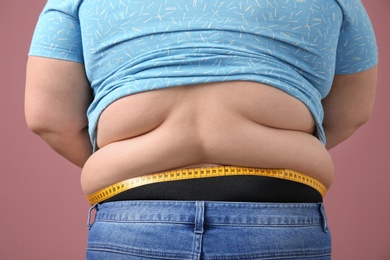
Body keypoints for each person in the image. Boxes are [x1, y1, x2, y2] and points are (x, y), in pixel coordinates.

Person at [25, 0, 378, 259]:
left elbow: (48, 119)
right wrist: (265, 147)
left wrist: (138, 158)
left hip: (133, 217)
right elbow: (350, 114)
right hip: (281, 216)